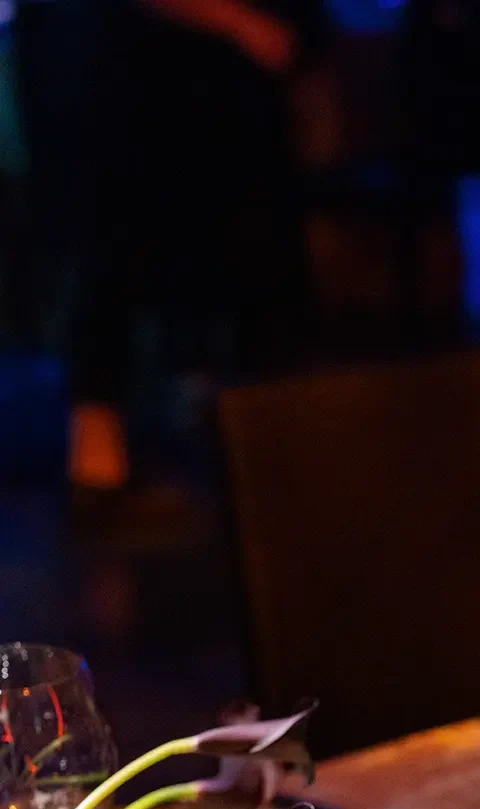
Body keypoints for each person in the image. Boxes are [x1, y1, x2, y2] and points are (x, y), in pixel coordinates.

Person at [68, 0, 330, 497]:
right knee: (120, 260)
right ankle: (99, 453)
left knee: (261, 272)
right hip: (151, 94)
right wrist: (241, 23)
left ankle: (267, 447)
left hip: (236, 102)